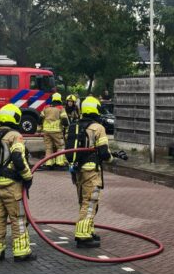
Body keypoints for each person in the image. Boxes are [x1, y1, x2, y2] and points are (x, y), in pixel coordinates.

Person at [66, 95, 124, 248]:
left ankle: (88, 230)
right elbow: (104, 153)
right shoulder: (98, 128)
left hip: (77, 170)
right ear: (95, 110)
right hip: (91, 171)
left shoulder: (75, 125)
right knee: (90, 202)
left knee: (83, 201)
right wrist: (113, 160)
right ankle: (83, 236)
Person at [0, 103, 35, 263]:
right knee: (18, 218)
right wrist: (28, 177)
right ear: (15, 118)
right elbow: (18, 159)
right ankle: (21, 252)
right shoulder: (15, 136)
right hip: (11, 185)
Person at [41, 92, 68, 168]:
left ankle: (49, 163)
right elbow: (65, 120)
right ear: (59, 99)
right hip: (57, 131)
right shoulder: (60, 108)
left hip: (46, 131)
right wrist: (65, 126)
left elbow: (40, 118)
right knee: (60, 146)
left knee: (48, 147)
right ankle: (59, 163)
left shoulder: (46, 107)